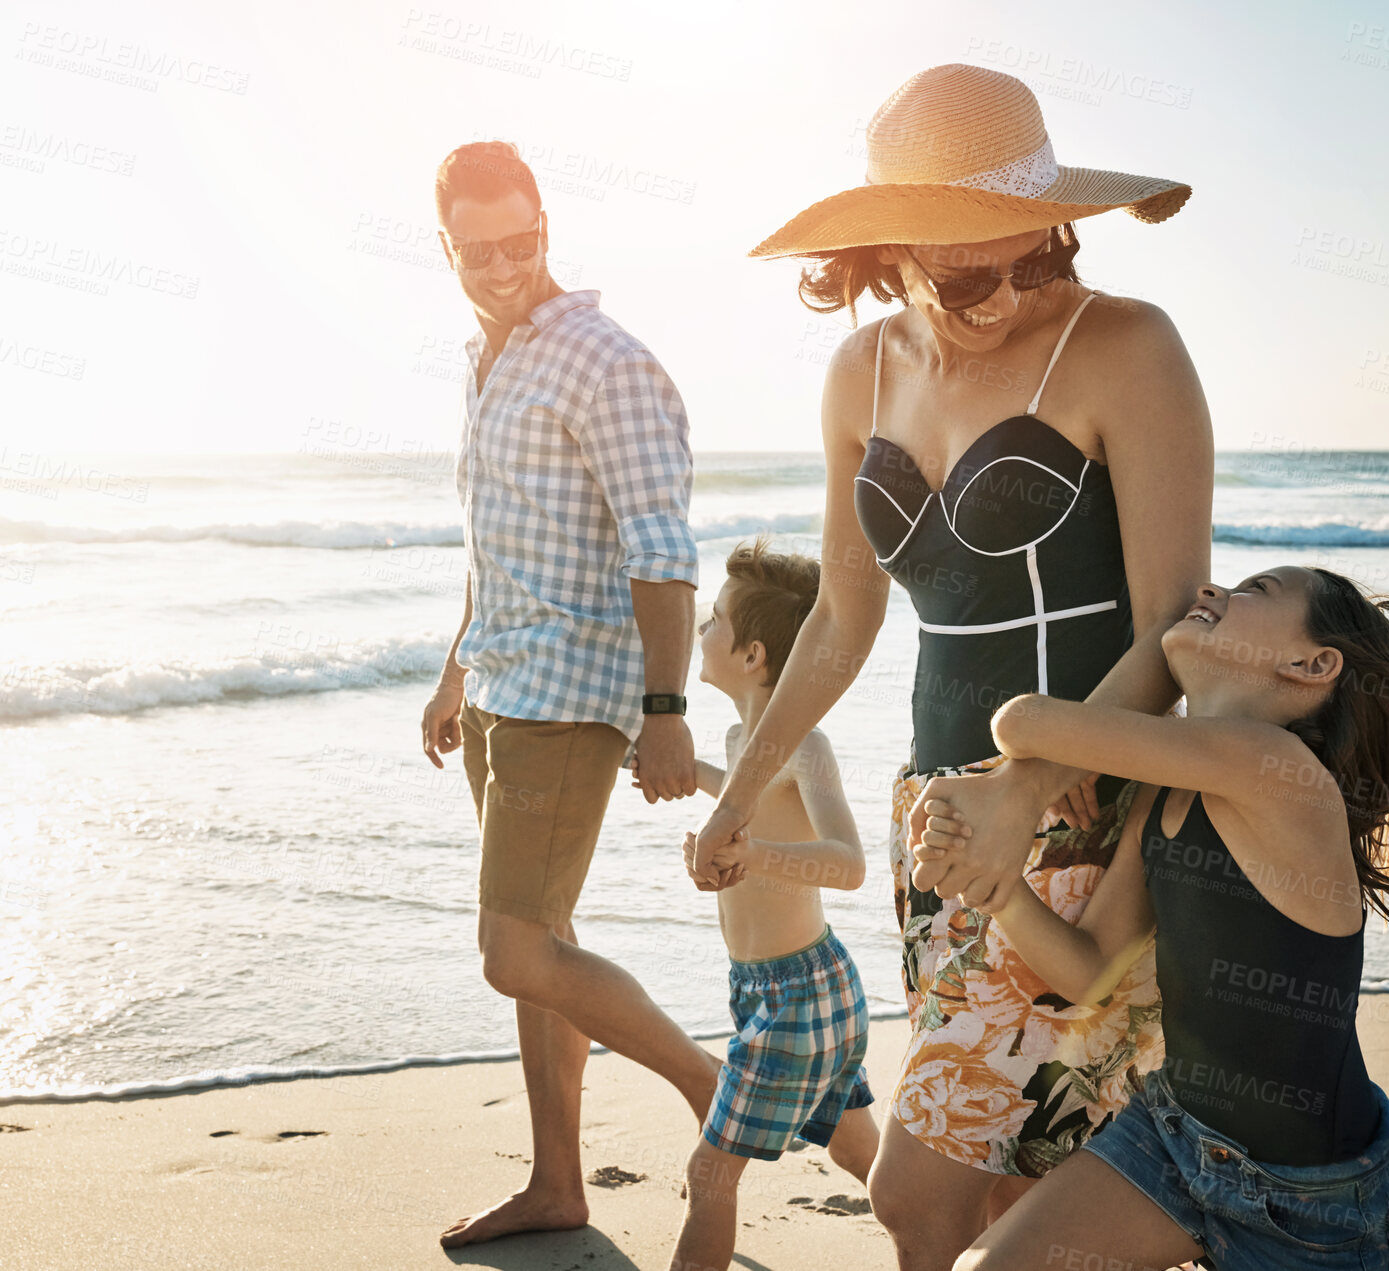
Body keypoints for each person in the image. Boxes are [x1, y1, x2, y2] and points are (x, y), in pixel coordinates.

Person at [693, 63, 1212, 1270]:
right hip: (938, 825)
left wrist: (1030, 787)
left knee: (911, 1188)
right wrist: (736, 789)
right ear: (895, 246)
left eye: (1038, 255)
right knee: (999, 1189)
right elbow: (841, 616)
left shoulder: (1123, 346)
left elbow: (1175, 619)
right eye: (975, 266)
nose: (1019, 287)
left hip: (1089, 821)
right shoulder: (858, 374)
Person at [917, 566, 1389, 1270]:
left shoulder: (1283, 771)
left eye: (1257, 591)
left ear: (1312, 664)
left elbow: (1020, 721)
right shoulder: (1168, 785)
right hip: (1174, 1134)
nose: (1211, 590)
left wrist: (1019, 784)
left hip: (1309, 1200)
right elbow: (1091, 967)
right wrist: (998, 888)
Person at [418, 140, 720, 1249]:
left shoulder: (606, 361)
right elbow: (492, 536)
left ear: (548, 223)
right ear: (445, 243)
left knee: (514, 947)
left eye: (524, 241)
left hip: (569, 686)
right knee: (541, 942)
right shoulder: (486, 355)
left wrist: (667, 706)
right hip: (501, 678)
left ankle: (713, 1088)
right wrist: (455, 670)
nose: (505, 266)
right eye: (480, 248)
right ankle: (558, 1184)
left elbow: (662, 547)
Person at [643, 538, 878, 1271]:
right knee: (860, 1152)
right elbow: (754, 797)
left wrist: (755, 856)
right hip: (778, 988)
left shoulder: (805, 743)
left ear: (751, 654)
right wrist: (698, 777)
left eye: (712, 620)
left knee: (709, 1173)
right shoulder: (742, 736)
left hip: (798, 995)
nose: (701, 632)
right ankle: (977, 1239)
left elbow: (850, 862)